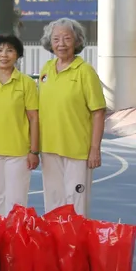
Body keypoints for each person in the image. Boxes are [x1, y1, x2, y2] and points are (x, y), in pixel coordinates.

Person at [37, 18, 106, 217]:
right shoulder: (46, 69)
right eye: (56, 39)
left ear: (77, 42)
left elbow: (98, 112)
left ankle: (75, 247)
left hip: (78, 150)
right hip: (49, 148)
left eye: (67, 38)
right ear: (50, 42)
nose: (61, 44)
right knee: (53, 202)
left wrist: (95, 149)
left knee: (76, 202)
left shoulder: (85, 71)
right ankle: (56, 244)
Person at [0, 34, 40, 217]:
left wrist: (34, 151)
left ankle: (15, 241)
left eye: (10, 50)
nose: (4, 54)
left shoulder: (26, 83)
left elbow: (34, 118)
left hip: (19, 152)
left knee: (17, 202)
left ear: (17, 55)